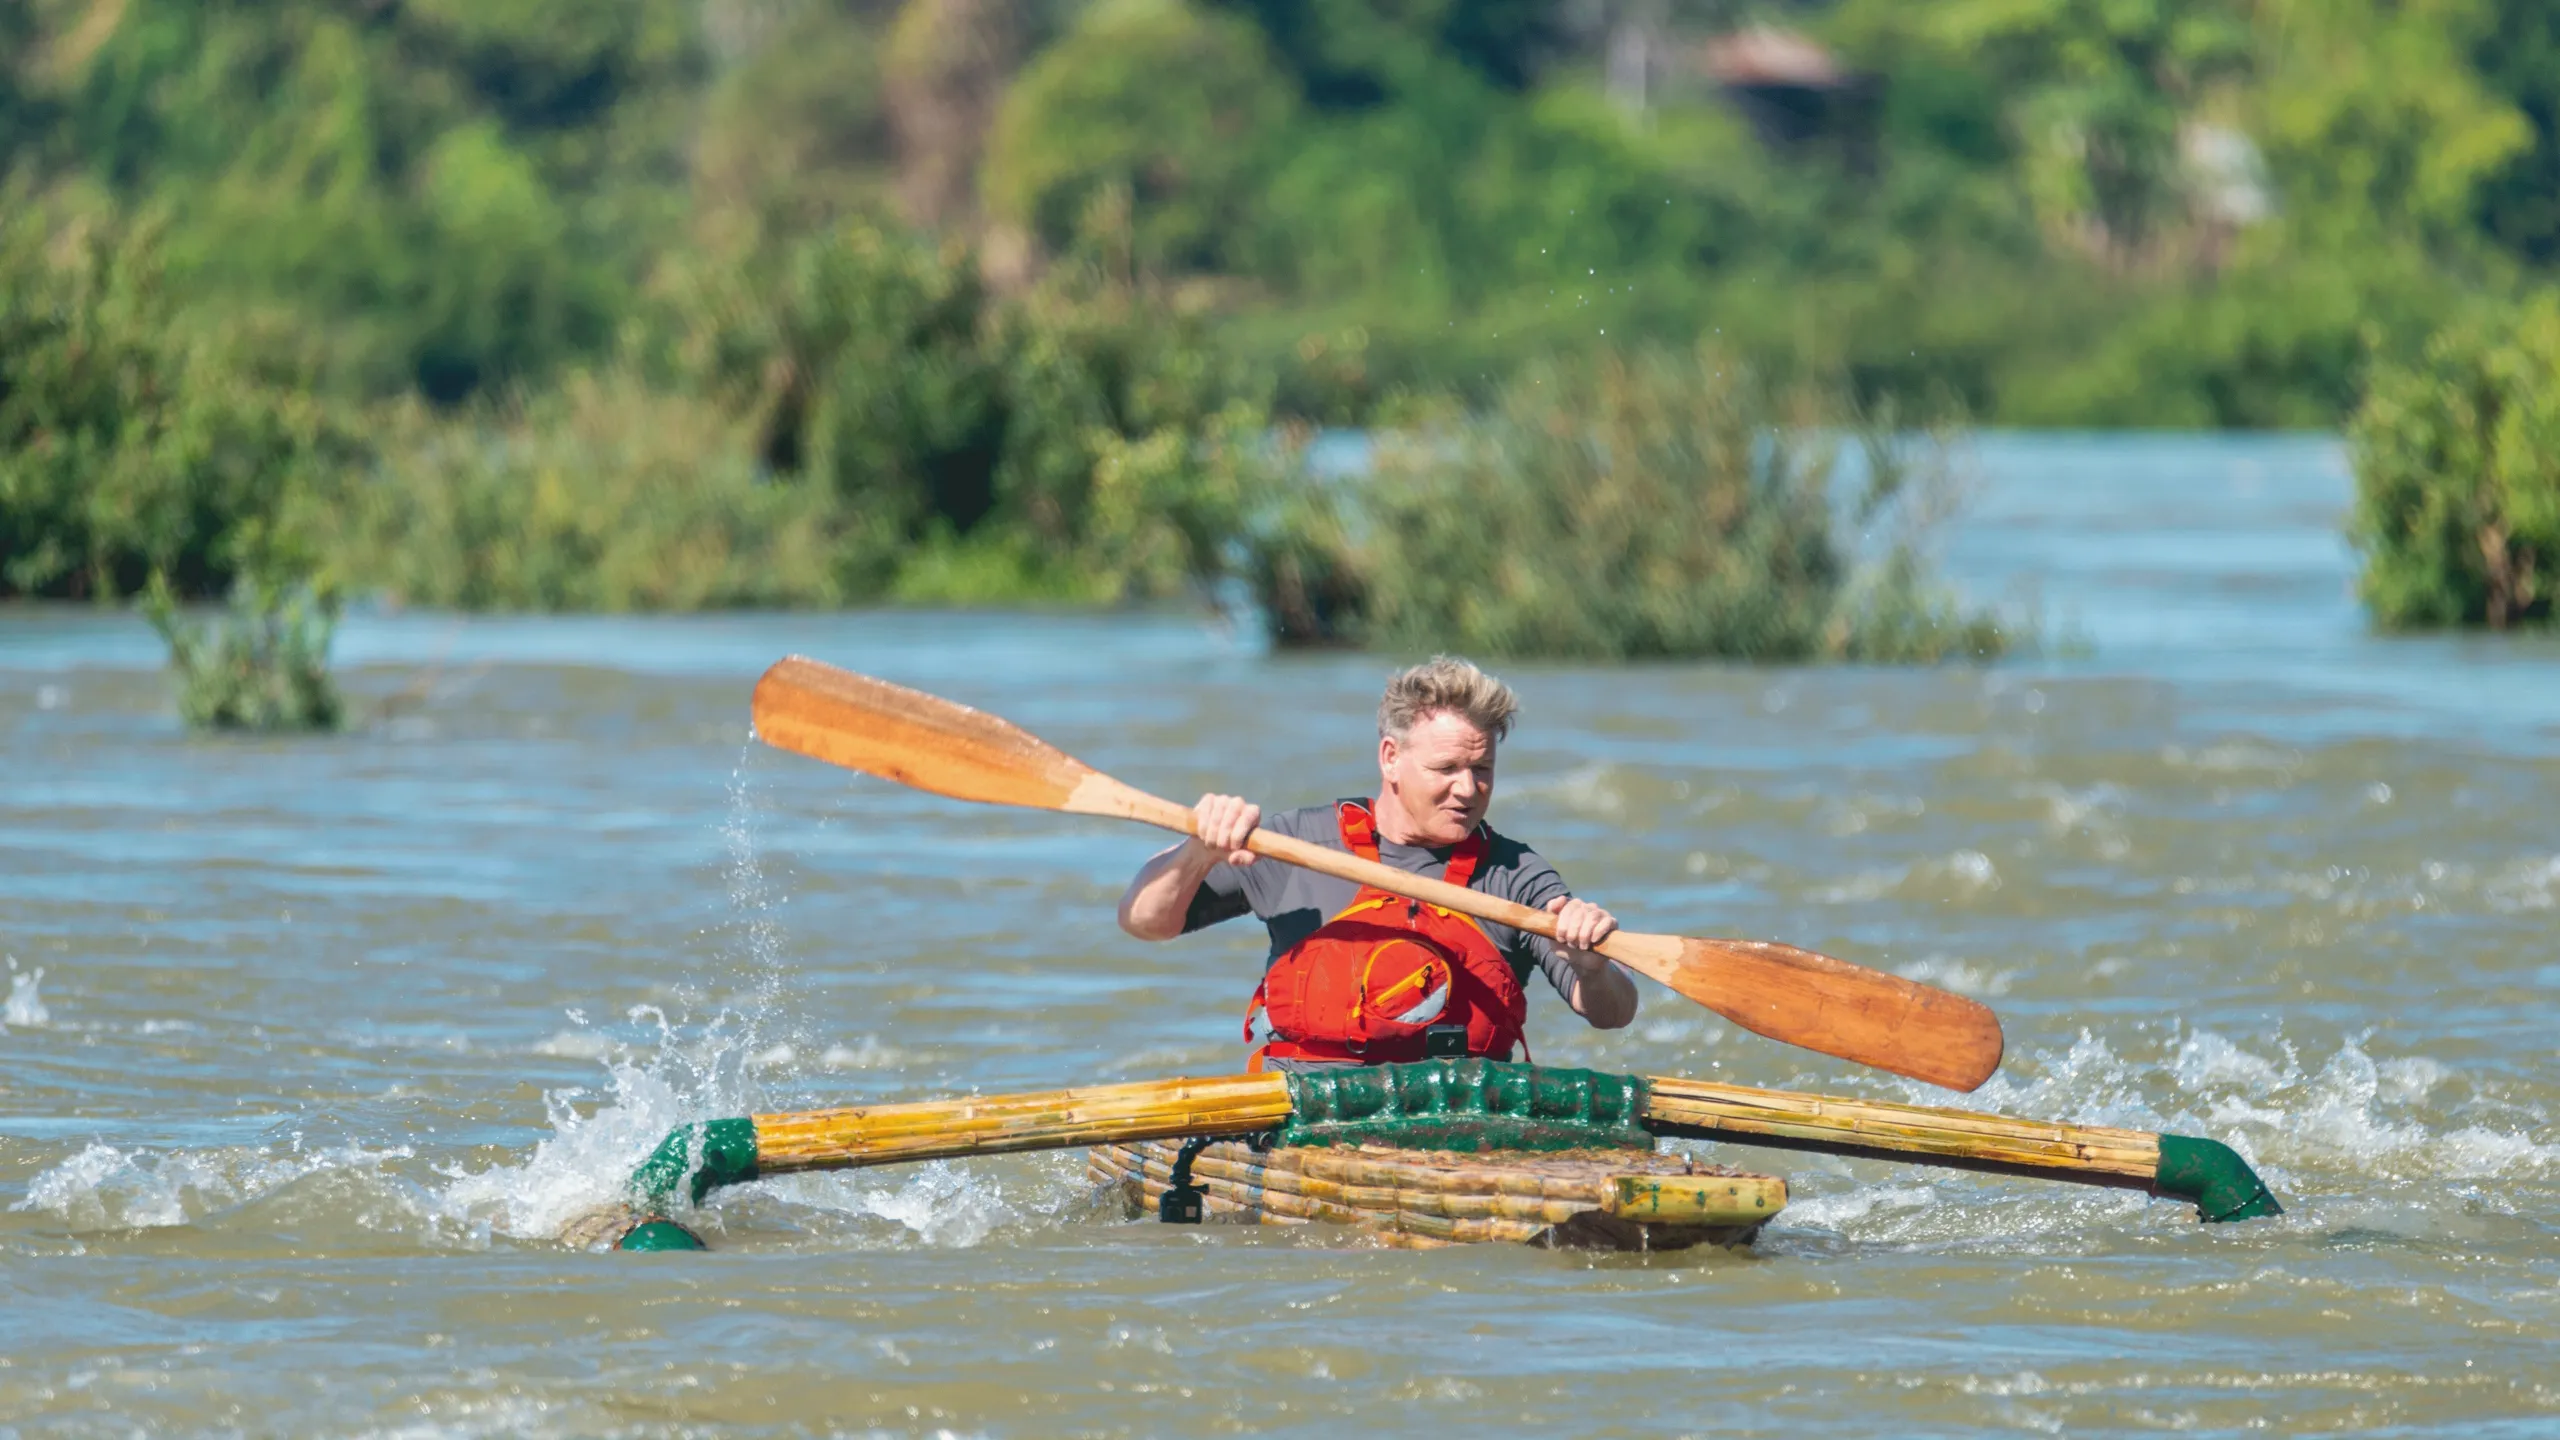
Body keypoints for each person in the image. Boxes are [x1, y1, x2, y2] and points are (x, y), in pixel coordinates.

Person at [1117, 655, 1637, 1069]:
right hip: (1305, 1126)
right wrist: (1198, 852)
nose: (1468, 788)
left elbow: (1613, 1013)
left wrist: (1591, 968)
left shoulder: (1517, 874)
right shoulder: (1295, 845)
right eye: (1447, 768)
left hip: (1456, 1134)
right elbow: (1143, 921)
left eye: (1482, 768)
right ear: (1391, 758)